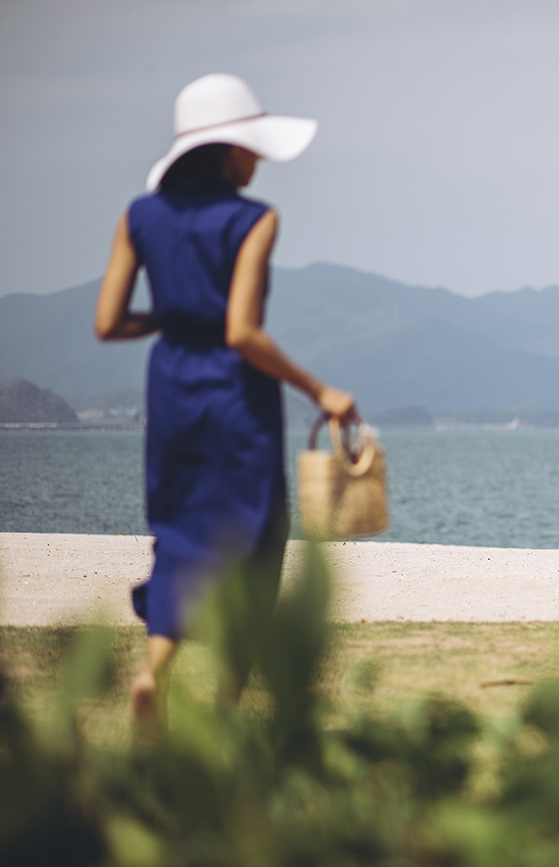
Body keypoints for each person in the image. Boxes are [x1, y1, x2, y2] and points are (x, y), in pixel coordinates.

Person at [94, 73, 357, 729]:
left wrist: (172, 318)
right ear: (228, 150)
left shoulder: (139, 215)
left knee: (180, 530)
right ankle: (224, 707)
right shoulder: (255, 220)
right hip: (236, 396)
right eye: (251, 146)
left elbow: (109, 322)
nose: (259, 159)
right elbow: (242, 331)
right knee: (256, 536)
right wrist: (320, 389)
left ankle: (154, 672)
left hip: (172, 384)